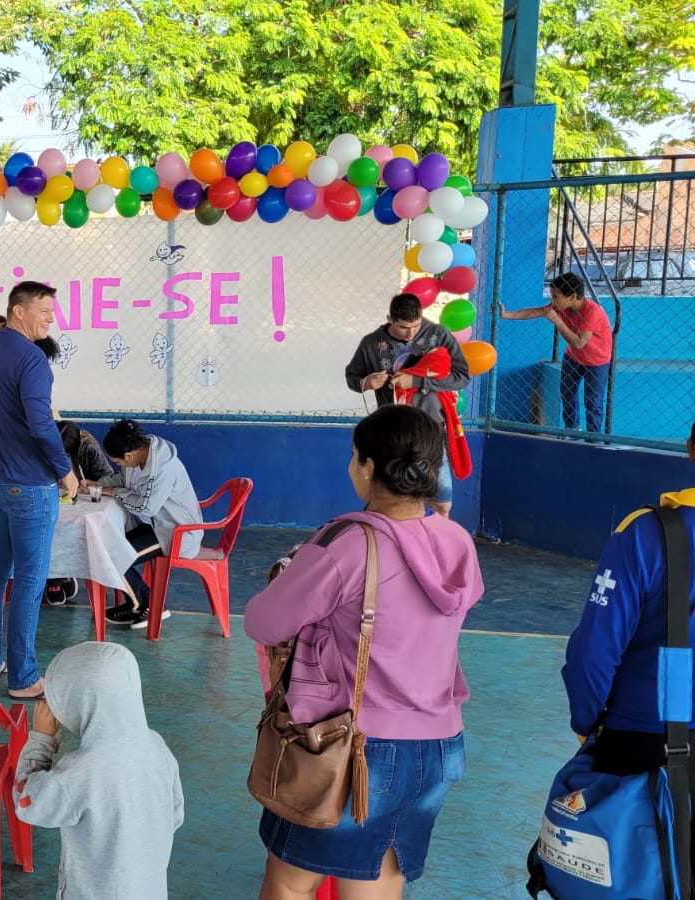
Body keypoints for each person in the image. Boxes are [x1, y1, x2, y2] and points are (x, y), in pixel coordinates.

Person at [245, 404, 483, 900]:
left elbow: (263, 622)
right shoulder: (456, 540)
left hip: (357, 746)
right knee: (376, 880)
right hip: (439, 745)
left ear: (370, 466)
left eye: (356, 457)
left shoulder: (350, 543)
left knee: (291, 882)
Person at [0, 280, 79, 701]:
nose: (52, 318)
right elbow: (40, 423)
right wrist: (64, 470)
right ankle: (24, 677)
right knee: (30, 580)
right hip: (31, 484)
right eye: (45, 310)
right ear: (18, 311)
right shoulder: (32, 359)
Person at [12, 641, 185, 899]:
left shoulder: (80, 772)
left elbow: (28, 803)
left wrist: (41, 739)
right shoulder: (157, 746)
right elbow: (175, 815)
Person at [561, 486, 695, 777]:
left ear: (691, 450)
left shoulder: (645, 533)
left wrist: (587, 726)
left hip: (641, 743)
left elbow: (591, 656)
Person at [344, 292, 470, 518]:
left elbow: (462, 376)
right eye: (403, 327)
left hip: (430, 428)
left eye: (416, 325)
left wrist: (417, 380)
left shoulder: (438, 334)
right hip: (392, 433)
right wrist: (367, 382)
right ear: (389, 319)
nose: (411, 333)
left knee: (442, 500)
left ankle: (437, 546)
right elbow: (352, 378)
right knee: (393, 500)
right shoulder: (372, 343)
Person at [93, 419, 203, 627]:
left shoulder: (162, 468)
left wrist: (115, 493)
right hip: (155, 528)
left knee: (113, 556)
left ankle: (151, 604)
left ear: (129, 455)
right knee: (106, 549)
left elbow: (145, 507)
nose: (119, 466)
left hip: (176, 534)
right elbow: (122, 481)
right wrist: (97, 485)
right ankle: (140, 602)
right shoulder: (139, 456)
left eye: (118, 462)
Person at [498, 272, 615, 436]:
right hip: (573, 357)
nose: (552, 301)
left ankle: (593, 439)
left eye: (556, 296)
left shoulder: (592, 312)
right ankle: (572, 431)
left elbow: (579, 343)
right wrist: (507, 315)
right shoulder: (561, 307)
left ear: (572, 296)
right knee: (567, 394)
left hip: (596, 361)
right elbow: (536, 312)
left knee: (592, 402)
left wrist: (558, 322)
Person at [44, 420, 114, 606]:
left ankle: (63, 573)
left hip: (85, 499)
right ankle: (55, 578)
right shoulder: (47, 444)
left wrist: (89, 483)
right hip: (58, 498)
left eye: (65, 453)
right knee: (51, 526)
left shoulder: (89, 448)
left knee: (72, 530)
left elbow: (108, 477)